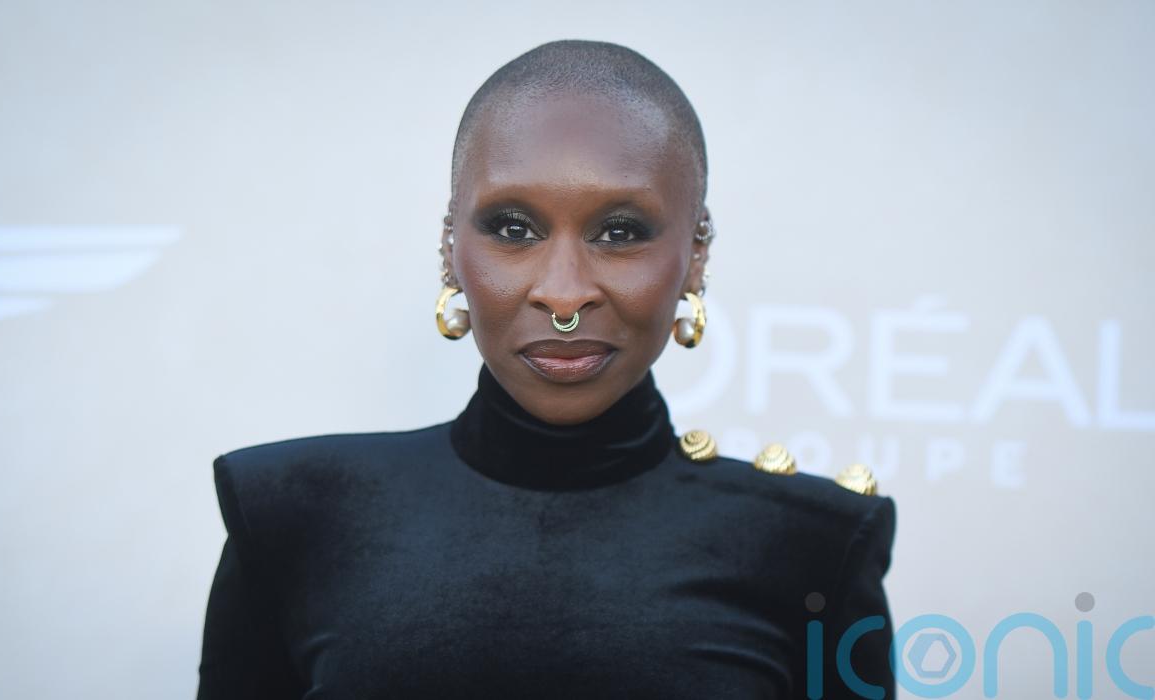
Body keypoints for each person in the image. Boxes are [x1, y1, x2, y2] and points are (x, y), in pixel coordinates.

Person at [197, 39, 896, 699]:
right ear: (450, 249)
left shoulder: (814, 548)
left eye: (619, 232)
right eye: (513, 230)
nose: (564, 296)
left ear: (696, 255)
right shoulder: (293, 515)